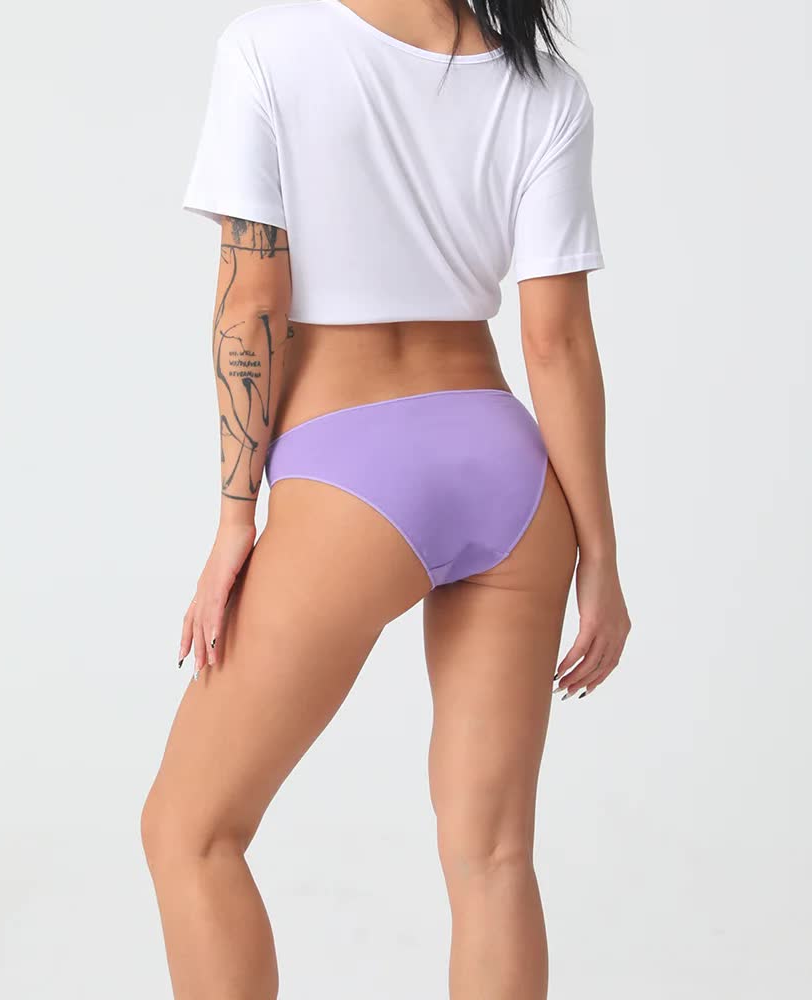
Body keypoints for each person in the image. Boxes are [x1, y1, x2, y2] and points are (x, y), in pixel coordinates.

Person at [141, 1, 631, 996]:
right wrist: (601, 560)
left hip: (353, 470)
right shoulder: (543, 87)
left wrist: (237, 519)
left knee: (189, 831)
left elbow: (251, 302)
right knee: (493, 858)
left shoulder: (269, 50)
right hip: (507, 466)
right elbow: (556, 343)